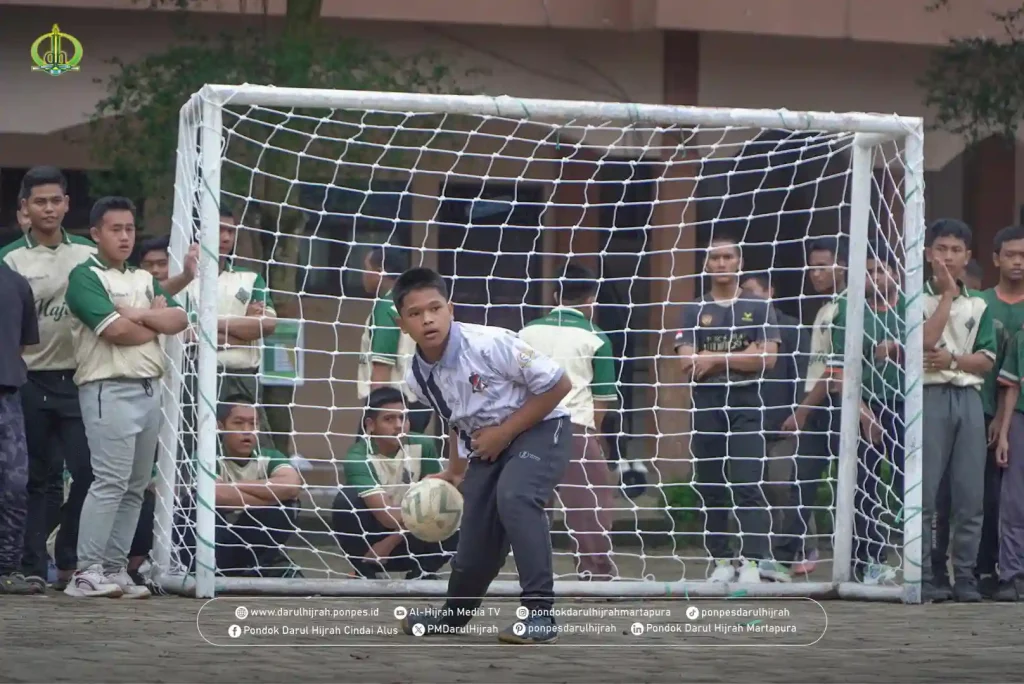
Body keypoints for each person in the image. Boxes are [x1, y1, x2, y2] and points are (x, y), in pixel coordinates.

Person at [391, 267, 573, 645]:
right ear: (402, 323)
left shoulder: (490, 343)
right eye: (415, 313)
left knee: (516, 497)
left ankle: (539, 615)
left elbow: (559, 384)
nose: (427, 319)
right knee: (475, 544)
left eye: (435, 308)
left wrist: (505, 433)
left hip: (540, 429)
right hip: (486, 447)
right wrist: (455, 472)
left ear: (450, 309)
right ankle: (452, 618)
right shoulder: (417, 378)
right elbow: (455, 420)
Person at [63, 196, 189, 598]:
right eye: (115, 229)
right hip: (108, 387)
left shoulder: (142, 278)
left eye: (130, 229)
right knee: (110, 481)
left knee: (136, 485)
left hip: (149, 388)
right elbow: (115, 332)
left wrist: (135, 314)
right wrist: (150, 320)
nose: (124, 236)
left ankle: (115, 569)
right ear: (96, 233)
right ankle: (86, 572)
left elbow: (180, 318)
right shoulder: (85, 277)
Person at [0, 167, 96, 589]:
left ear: (67, 204)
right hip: (30, 380)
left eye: (56, 200)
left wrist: (184, 278)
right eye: (40, 201)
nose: (49, 208)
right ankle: (33, 567)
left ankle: (69, 555)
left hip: (79, 380)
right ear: (24, 208)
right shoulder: (10, 260)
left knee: (89, 473)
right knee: (36, 478)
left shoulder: (88, 254)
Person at [674, 235, 784, 584]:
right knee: (710, 485)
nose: (721, 264)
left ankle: (753, 562)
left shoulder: (760, 307)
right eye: (715, 258)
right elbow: (687, 363)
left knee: (747, 483)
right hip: (707, 404)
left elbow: (767, 358)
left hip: (746, 402)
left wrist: (715, 357)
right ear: (706, 266)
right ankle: (721, 560)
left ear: (739, 263)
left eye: (728, 257)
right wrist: (741, 356)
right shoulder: (694, 309)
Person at [935, 225, 1024, 597]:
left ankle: (1002, 572)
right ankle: (974, 570)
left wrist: (1004, 424)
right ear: (994, 258)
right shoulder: (980, 302)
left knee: (1005, 498)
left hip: (1010, 415)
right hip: (974, 406)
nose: (1018, 262)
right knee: (969, 497)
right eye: (1011, 255)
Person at [518, 262, 619, 581]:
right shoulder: (597, 337)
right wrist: (594, 436)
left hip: (528, 429)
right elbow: (601, 399)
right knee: (590, 506)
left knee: (531, 504)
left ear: (556, 294)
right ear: (592, 300)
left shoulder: (525, 332)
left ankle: (532, 573)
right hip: (575, 428)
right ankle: (594, 573)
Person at [920, 219, 996, 603]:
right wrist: (947, 296)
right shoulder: (914, 299)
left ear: (967, 256)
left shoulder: (979, 304)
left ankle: (963, 574)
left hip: (967, 399)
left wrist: (951, 359)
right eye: (941, 249)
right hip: (929, 399)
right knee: (926, 491)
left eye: (956, 250)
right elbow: (924, 344)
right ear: (928, 253)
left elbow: (984, 361)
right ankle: (925, 572)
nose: (948, 257)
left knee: (970, 492)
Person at [826, 248, 907, 585]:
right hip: (865, 405)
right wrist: (862, 414)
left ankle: (922, 559)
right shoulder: (847, 309)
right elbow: (836, 371)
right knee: (865, 485)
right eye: (869, 271)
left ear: (896, 274)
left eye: (881, 271)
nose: (876, 278)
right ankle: (869, 559)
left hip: (907, 407)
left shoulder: (910, 306)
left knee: (911, 483)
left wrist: (896, 350)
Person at [777, 237, 848, 575]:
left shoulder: (849, 308)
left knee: (849, 481)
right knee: (802, 480)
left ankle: (863, 558)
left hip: (837, 404)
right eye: (812, 266)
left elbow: (836, 369)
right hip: (818, 402)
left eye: (823, 266)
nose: (815, 273)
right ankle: (786, 554)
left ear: (843, 266)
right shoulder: (825, 307)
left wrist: (802, 410)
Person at [332, 387, 456, 579]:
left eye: (403, 418)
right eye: (389, 419)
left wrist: (390, 541)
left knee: (457, 503)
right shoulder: (358, 457)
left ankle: (423, 573)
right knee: (345, 502)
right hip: (373, 540)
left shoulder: (424, 446)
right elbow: (387, 517)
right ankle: (364, 571)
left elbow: (436, 500)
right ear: (370, 425)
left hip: (414, 537)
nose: (399, 425)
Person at [183, 204, 276, 451]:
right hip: (196, 377)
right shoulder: (183, 279)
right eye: (219, 230)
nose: (225, 237)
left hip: (243, 377)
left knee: (251, 450)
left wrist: (209, 324)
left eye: (231, 231)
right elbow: (183, 333)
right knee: (194, 448)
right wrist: (240, 331)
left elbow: (266, 324)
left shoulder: (250, 278)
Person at [177, 402, 303, 576]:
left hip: (248, 537)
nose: (247, 430)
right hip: (213, 541)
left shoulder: (270, 456)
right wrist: (269, 496)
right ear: (221, 427)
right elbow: (213, 494)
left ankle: (256, 565)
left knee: (288, 504)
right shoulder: (205, 455)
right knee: (194, 502)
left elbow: (291, 486)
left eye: (253, 424)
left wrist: (232, 488)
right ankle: (203, 572)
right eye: (238, 423)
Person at [357, 246, 431, 434]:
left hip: (392, 408)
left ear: (380, 271)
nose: (363, 274)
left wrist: (375, 413)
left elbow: (381, 367)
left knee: (366, 459)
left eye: (366, 268)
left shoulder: (387, 307)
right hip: (417, 402)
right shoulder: (409, 301)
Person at [0, 262, 40, 594]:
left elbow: (23, 345)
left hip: (6, 394)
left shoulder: (15, 282)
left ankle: (7, 569)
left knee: (13, 486)